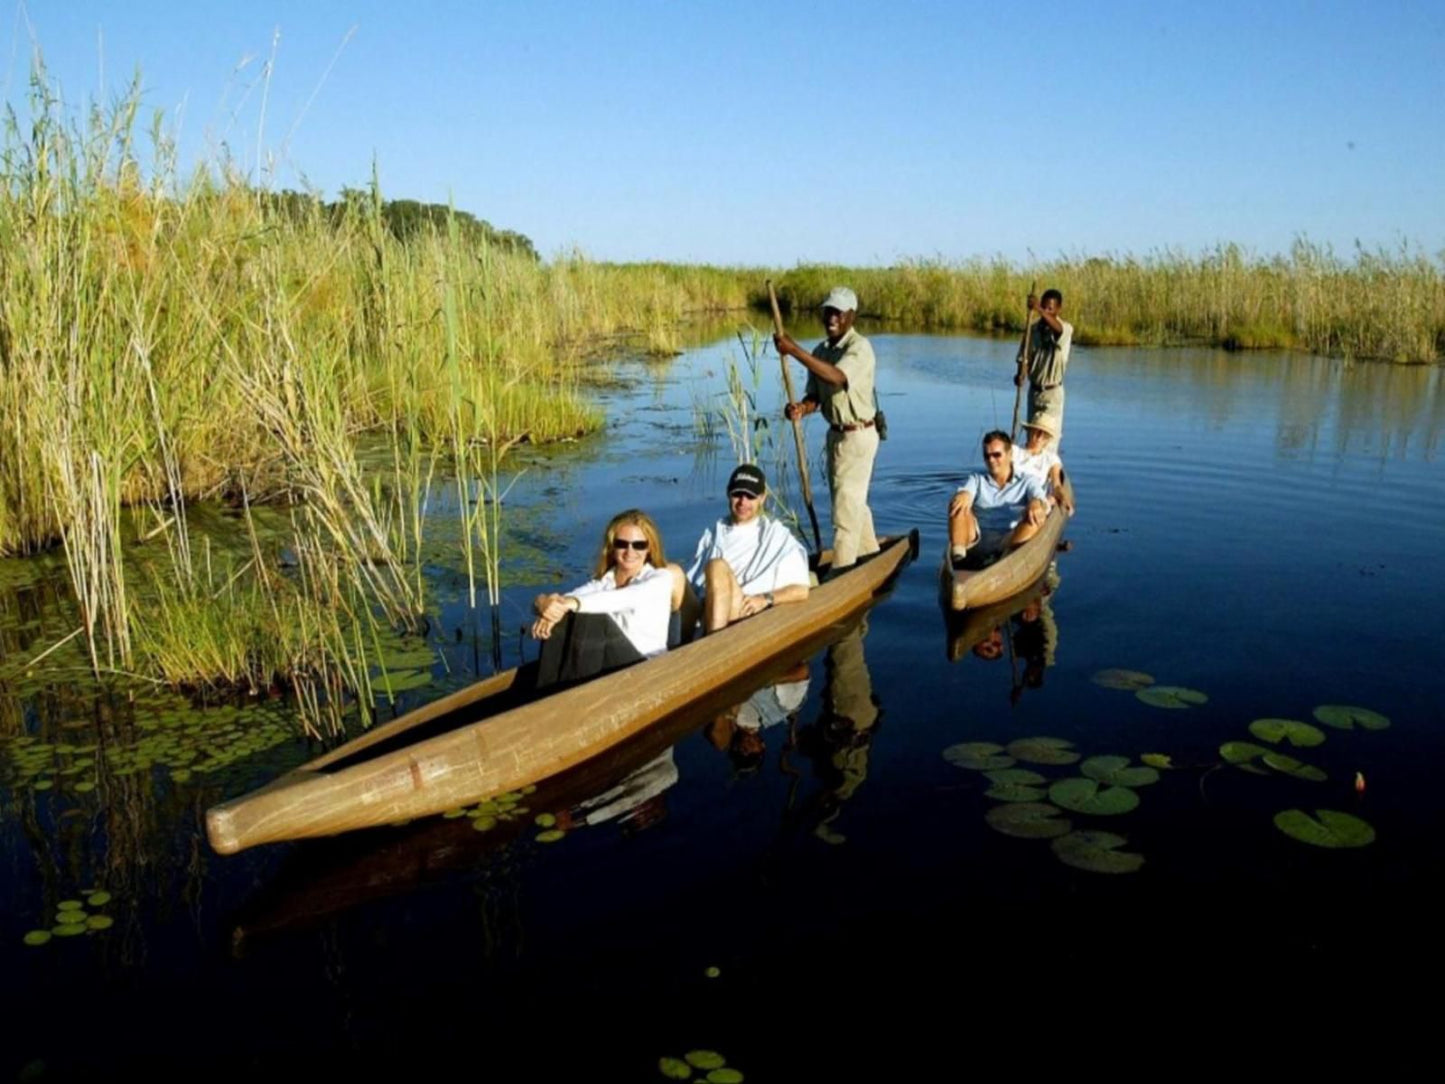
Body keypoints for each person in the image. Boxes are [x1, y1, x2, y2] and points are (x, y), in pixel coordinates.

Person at [777, 286, 880, 570]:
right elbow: (817, 397)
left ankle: (842, 573)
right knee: (850, 500)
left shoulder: (859, 348)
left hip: (859, 435)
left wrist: (793, 350)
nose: (831, 317)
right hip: (835, 435)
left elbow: (835, 377)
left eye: (838, 312)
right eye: (828, 311)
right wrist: (801, 408)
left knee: (844, 512)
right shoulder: (821, 350)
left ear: (850, 316)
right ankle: (871, 553)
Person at [530, 509, 677, 686]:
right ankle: (545, 692)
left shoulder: (659, 579)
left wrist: (571, 603)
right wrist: (544, 605)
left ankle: (574, 697)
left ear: (649, 548)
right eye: (622, 544)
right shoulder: (603, 582)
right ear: (612, 547)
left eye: (638, 545)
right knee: (562, 615)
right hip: (612, 663)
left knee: (590, 617)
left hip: (644, 667)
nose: (630, 552)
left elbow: (623, 598)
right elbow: (565, 600)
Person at [680, 464, 810, 635]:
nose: (743, 502)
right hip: (705, 609)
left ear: (762, 498)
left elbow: (801, 589)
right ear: (728, 494)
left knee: (716, 567)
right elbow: (691, 581)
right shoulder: (713, 533)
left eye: (750, 496)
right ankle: (667, 651)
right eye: (737, 495)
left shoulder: (776, 536)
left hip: (743, 613)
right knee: (673, 573)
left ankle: (713, 646)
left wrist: (765, 599)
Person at [947, 430, 1049, 570]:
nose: (991, 460)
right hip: (975, 539)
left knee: (1035, 517)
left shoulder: (1027, 481)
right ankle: (958, 560)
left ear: (1010, 454)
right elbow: (966, 491)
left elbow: (1041, 499)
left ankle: (1005, 562)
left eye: (996, 455)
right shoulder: (977, 479)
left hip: (1008, 540)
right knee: (957, 503)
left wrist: (1036, 503)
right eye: (987, 456)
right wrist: (964, 495)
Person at [1015, 287, 1073, 437]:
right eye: (1044, 306)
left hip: (1052, 394)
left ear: (1058, 309)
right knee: (1032, 441)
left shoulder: (1065, 329)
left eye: (1050, 309)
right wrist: (1021, 374)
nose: (1046, 311)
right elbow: (1024, 359)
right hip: (1034, 392)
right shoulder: (1032, 330)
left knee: (1047, 441)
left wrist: (1039, 309)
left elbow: (1058, 329)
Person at [1012, 412, 1074, 516]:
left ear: (1049, 438)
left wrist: (1063, 498)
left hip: (1033, 504)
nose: (1040, 437)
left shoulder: (1051, 458)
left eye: (1045, 434)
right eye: (1037, 431)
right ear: (1030, 430)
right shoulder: (1014, 451)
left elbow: (1056, 485)